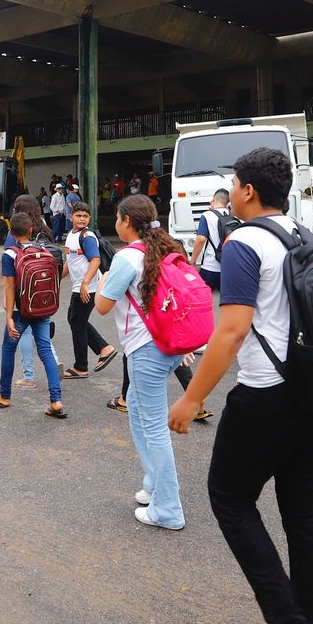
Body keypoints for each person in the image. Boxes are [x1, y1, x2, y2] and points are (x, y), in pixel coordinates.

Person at [169, 147, 313, 624]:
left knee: (230, 499)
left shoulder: (243, 242)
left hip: (267, 395)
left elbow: (233, 328)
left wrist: (193, 397)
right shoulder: (304, 237)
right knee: (304, 513)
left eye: (235, 182)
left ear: (246, 190)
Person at [92, 194, 187, 529]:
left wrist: (102, 279)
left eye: (117, 217)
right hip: (167, 344)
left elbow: (102, 306)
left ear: (126, 222)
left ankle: (168, 508)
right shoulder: (164, 250)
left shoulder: (127, 258)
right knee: (136, 405)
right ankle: (154, 484)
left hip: (147, 349)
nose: (115, 222)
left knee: (153, 425)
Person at [0, 212, 66, 420]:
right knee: (45, 350)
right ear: (31, 230)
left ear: (11, 232)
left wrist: (9, 316)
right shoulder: (44, 250)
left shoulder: (10, 254)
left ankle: (4, 395)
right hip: (43, 307)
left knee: (8, 349)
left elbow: (10, 286)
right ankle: (56, 400)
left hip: (21, 310)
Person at [62, 203, 116, 377]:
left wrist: (85, 283)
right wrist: (55, 279)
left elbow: (96, 260)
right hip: (81, 286)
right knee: (76, 320)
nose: (82, 219)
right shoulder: (71, 235)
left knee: (77, 322)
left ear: (89, 219)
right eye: (78, 215)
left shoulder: (87, 237)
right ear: (71, 217)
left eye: (85, 216)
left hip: (88, 288)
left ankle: (81, 366)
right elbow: (70, 262)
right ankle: (103, 348)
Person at [191, 189, 231, 291]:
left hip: (210, 269)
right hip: (229, 269)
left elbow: (201, 239)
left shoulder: (207, 215)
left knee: (204, 295)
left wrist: (193, 261)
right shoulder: (234, 215)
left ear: (213, 200)